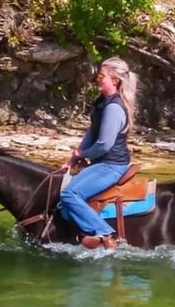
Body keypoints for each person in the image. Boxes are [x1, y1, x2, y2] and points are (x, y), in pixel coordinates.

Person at [59, 57, 138, 249]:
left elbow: (103, 145)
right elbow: (92, 132)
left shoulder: (113, 107)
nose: (97, 79)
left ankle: (104, 233)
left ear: (115, 80)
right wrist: (75, 157)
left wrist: (82, 153)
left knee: (69, 194)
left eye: (101, 75)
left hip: (111, 165)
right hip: (101, 163)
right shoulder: (103, 102)